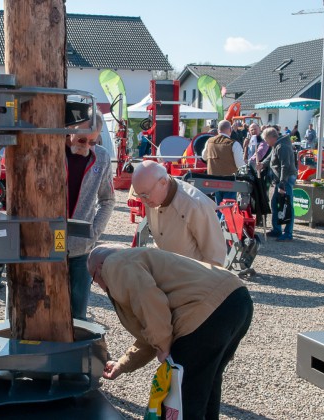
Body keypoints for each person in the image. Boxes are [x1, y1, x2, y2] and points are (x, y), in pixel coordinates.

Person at [88, 245, 253, 420]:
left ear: (99, 268)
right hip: (238, 299)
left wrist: (163, 346)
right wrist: (122, 364)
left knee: (184, 396)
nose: (99, 286)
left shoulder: (115, 264)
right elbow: (151, 327)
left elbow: (150, 303)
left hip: (206, 313)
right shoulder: (140, 259)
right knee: (206, 382)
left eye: (93, 279)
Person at [65, 110, 115, 320]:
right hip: (46, 245)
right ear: (69, 130)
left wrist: (94, 233)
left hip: (81, 249)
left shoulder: (101, 157)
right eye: (82, 140)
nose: (86, 146)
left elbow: (108, 200)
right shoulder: (50, 152)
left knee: (78, 315)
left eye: (93, 142)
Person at [131, 160, 226, 267]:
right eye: (139, 195)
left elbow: (215, 258)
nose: (143, 201)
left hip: (192, 275)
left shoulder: (195, 205)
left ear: (163, 183)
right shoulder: (152, 199)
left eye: (145, 195)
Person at [257, 127, 297, 242]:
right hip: (280, 179)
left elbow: (285, 166)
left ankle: (288, 233)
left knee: (287, 205)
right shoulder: (277, 145)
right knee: (275, 203)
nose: (266, 143)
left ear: (271, 138)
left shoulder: (282, 146)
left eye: (266, 140)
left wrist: (282, 184)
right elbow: (271, 157)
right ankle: (277, 229)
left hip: (285, 179)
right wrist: (262, 164)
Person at [202, 119, 245, 206]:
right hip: (229, 180)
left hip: (213, 179)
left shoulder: (209, 141)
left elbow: (204, 157)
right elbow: (240, 164)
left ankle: (219, 215)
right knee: (228, 206)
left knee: (218, 204)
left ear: (218, 130)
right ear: (230, 130)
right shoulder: (234, 144)